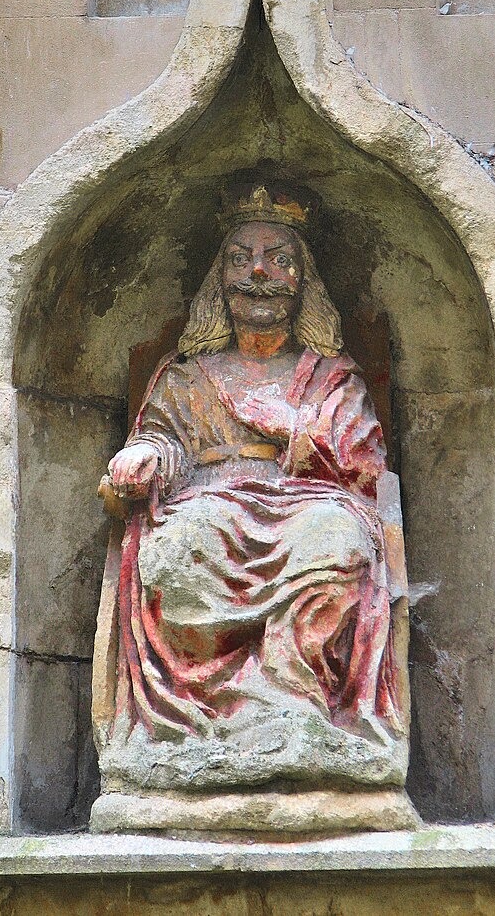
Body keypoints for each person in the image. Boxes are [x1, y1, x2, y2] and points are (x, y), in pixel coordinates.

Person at [98, 183, 409, 791]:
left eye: (278, 259)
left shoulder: (330, 378)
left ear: (301, 283)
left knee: (339, 544)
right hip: (207, 502)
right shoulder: (186, 376)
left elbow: (365, 463)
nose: (259, 273)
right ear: (220, 282)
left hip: (308, 502)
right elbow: (161, 437)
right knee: (180, 547)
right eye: (240, 259)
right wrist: (142, 457)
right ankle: (202, 722)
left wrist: (293, 428)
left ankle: (295, 708)